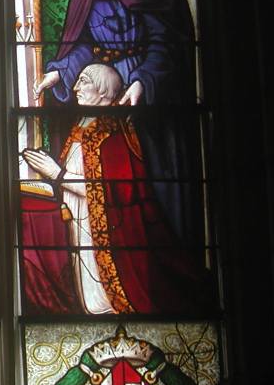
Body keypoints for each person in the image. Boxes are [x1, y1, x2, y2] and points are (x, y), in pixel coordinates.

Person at [33, 0, 199, 245]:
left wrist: (143, 80)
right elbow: (84, 44)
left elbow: (168, 40)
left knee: (147, 184)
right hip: (103, 95)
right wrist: (61, 70)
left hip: (148, 99)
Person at [22, 64, 211, 313]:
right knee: (86, 293)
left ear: (104, 91)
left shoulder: (113, 134)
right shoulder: (83, 126)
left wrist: (57, 174)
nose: (75, 87)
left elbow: (113, 191)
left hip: (108, 231)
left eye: (83, 81)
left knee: (101, 301)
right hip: (79, 221)